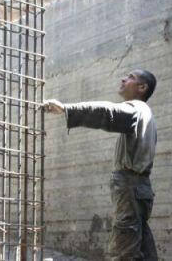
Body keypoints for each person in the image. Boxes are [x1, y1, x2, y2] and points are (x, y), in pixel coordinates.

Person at [44, 69, 158, 261]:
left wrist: (66, 109)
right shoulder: (145, 113)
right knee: (141, 246)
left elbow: (107, 112)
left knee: (123, 251)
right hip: (138, 188)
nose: (123, 79)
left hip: (130, 187)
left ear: (142, 87)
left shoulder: (136, 108)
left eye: (130, 77)